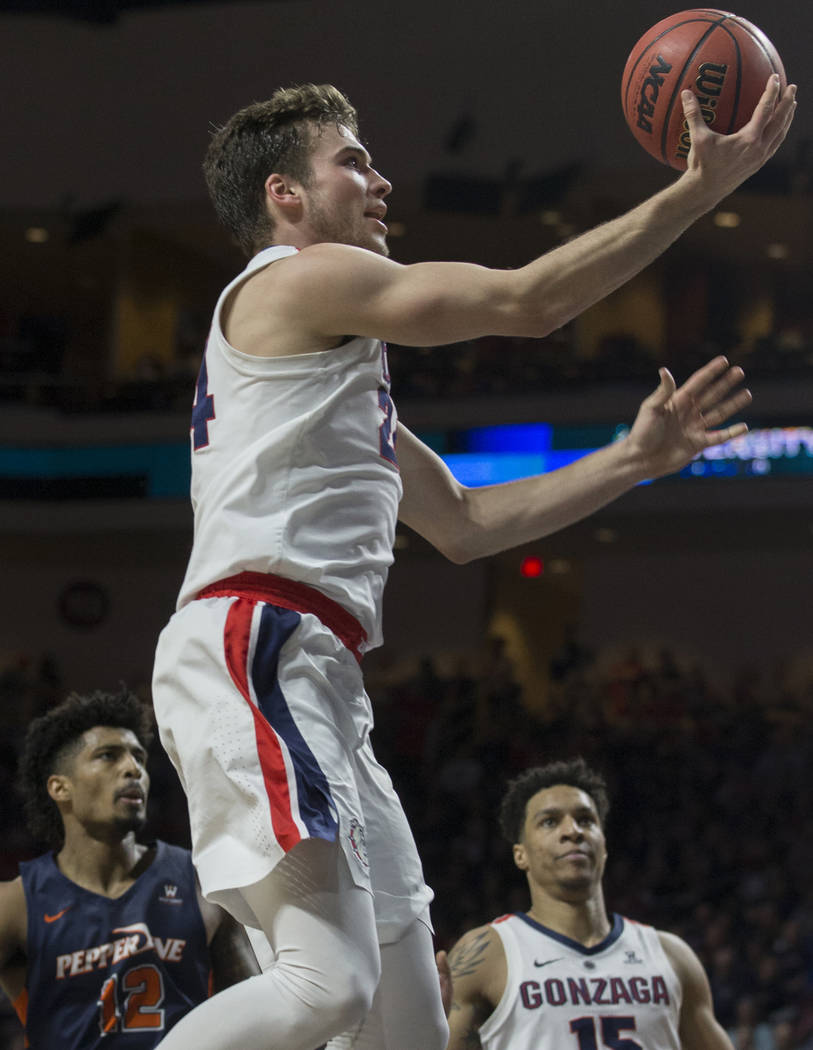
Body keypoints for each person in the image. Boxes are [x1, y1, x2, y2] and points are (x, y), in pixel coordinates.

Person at [150, 76, 796, 1050]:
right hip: (257, 643)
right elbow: (528, 302)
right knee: (327, 985)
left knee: (405, 1018)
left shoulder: (330, 370)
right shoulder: (292, 277)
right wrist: (699, 192)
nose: (380, 179)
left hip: (314, 673)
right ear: (285, 194)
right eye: (352, 160)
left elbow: (461, 523)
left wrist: (634, 459)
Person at [0, 688, 260, 1049]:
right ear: (61, 788)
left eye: (138, 756)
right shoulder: (15, 905)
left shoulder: (202, 884)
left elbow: (256, 1024)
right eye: (108, 756)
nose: (133, 768)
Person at [444, 757, 735, 1050]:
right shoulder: (487, 955)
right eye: (549, 821)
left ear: (604, 845)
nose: (573, 831)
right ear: (521, 854)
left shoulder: (671, 956)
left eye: (585, 820)